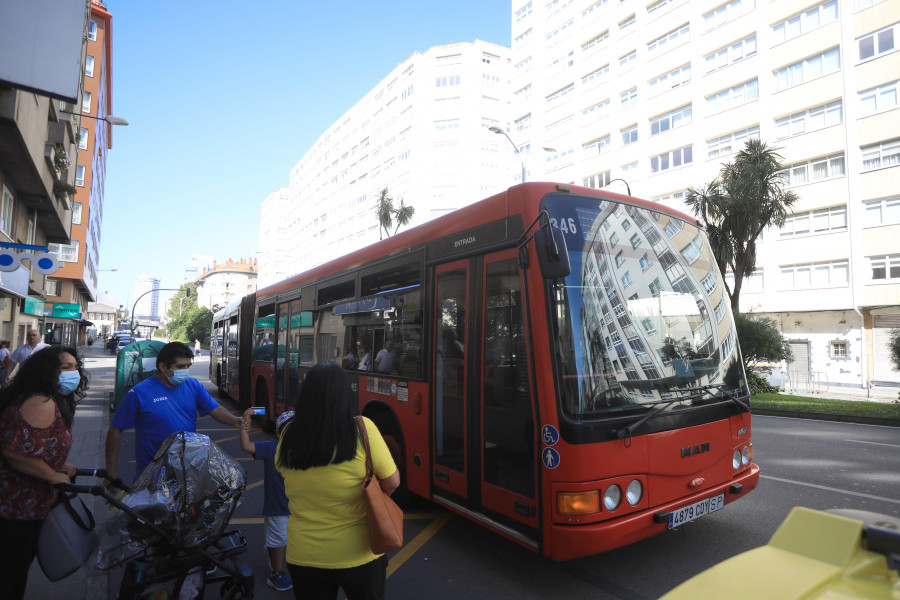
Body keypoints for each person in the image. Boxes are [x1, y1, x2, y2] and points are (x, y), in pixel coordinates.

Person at [277, 364, 399, 600]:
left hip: (304, 555)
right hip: (360, 553)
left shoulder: (289, 434)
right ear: (344, 394)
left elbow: (283, 472)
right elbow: (392, 482)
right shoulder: (363, 429)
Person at [0, 346, 87, 599]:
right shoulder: (41, 401)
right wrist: (51, 476)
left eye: (75, 367)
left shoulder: (46, 398)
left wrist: (57, 466)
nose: (75, 373)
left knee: (13, 574)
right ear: (47, 372)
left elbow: (35, 447)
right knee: (9, 577)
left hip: (27, 505)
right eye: (66, 368)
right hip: (15, 507)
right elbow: (17, 453)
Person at [104, 342, 242, 484]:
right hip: (151, 477)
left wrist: (235, 420)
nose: (186, 371)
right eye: (180, 367)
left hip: (186, 474)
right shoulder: (138, 393)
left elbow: (216, 409)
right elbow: (116, 429)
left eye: (188, 366)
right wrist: (110, 471)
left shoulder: (193, 386)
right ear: (163, 367)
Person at [240, 409, 295, 592]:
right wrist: (244, 426)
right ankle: (276, 573)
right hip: (277, 507)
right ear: (279, 433)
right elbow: (247, 446)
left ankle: (287, 565)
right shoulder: (271, 447)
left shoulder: (305, 450)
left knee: (293, 539)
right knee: (278, 540)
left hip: (299, 508)